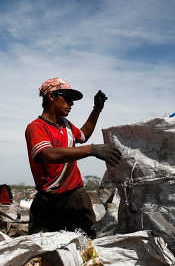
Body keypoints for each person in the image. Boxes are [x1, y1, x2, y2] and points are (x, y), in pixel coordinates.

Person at [25, 77, 122, 237]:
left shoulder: (66, 125)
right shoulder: (36, 127)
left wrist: (96, 109)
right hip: (48, 201)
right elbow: (48, 154)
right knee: (43, 249)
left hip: (75, 197)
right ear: (51, 97)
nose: (71, 104)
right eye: (67, 99)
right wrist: (92, 150)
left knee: (86, 246)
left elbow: (83, 134)